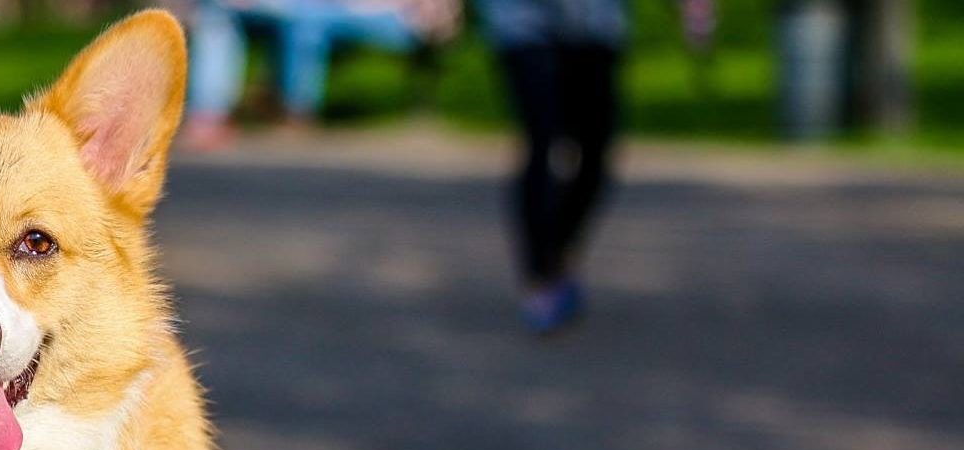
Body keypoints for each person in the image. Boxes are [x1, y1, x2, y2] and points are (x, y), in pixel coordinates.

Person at [477, 0, 714, 334]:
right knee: (542, 141)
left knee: (597, 151)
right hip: (523, 21)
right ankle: (541, 278)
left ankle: (558, 253)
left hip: (595, 23)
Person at [184, 0, 457, 148]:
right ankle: (211, 115)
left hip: (392, 15)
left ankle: (289, 107)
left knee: (306, 20)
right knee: (216, 10)